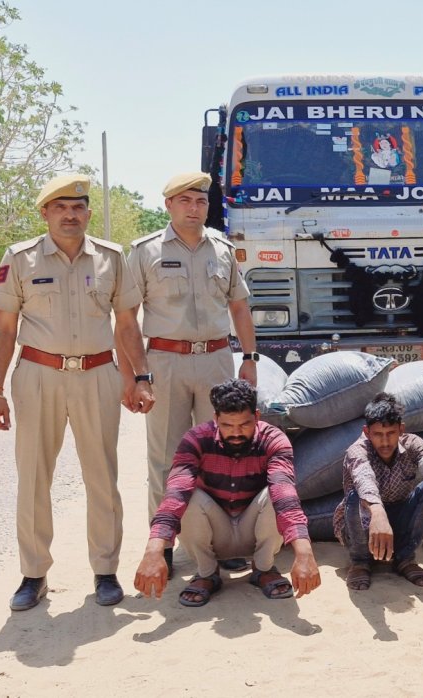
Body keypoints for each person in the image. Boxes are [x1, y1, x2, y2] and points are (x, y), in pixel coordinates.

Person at [0, 173, 155, 611]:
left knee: (102, 477)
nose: (70, 215)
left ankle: (105, 571)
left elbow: (127, 323)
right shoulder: (20, 258)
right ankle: (33, 574)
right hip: (38, 375)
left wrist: (140, 376)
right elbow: (4, 330)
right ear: (45, 213)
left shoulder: (112, 258)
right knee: (34, 477)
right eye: (60, 208)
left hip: (98, 375)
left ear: (88, 213)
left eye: (78, 207)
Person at [117, 172, 257, 577]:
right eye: (185, 201)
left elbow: (240, 308)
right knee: (165, 457)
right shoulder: (145, 252)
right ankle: (162, 544)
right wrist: (135, 376)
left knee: (224, 449)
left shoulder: (224, 249)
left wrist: (249, 357)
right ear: (168, 206)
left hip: (216, 358)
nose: (194, 208)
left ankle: (224, 540)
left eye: (200, 201)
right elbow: (125, 319)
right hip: (165, 361)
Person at [133, 378, 321, 606]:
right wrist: (154, 550)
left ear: (258, 417)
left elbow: (285, 495)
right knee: (185, 495)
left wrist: (304, 553)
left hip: (254, 531)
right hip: (216, 531)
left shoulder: (274, 440)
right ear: (215, 420)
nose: (236, 433)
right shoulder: (196, 440)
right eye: (227, 426)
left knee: (277, 495)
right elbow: (176, 493)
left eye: (244, 425)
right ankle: (207, 573)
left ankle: (263, 569)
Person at [333, 392, 423, 591]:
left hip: (399, 516)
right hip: (363, 519)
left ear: (401, 430)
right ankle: (360, 562)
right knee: (355, 497)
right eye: (378, 434)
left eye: (391, 434)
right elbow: (364, 479)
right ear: (367, 432)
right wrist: (378, 512)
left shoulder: (412, 444)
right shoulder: (357, 451)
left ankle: (405, 558)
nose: (385, 442)